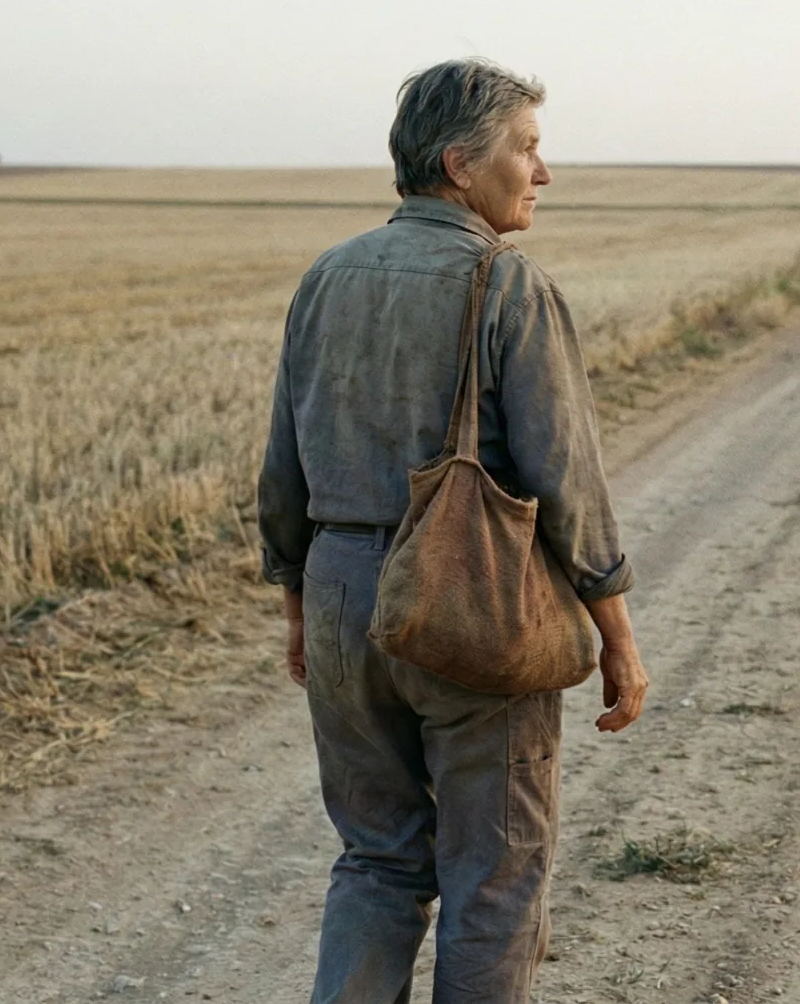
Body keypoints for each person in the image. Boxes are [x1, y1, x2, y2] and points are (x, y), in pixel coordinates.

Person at [257, 58, 650, 1004]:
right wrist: (619, 637)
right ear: (458, 165)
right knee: (497, 874)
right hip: (469, 596)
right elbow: (569, 482)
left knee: (377, 861)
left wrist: (301, 604)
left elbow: (284, 466)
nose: (543, 173)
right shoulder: (508, 284)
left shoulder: (327, 277)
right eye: (528, 148)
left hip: (347, 591)